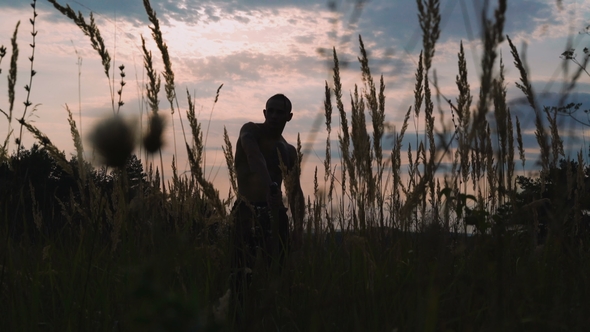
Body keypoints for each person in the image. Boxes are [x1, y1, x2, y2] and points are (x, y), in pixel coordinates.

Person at [230, 93, 305, 316]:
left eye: (279, 112)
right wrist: (271, 186)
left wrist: (299, 227)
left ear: (289, 117)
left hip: (276, 215)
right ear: (264, 113)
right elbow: (255, 159)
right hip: (247, 210)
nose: (273, 116)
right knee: (241, 277)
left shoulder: (288, 151)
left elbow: (295, 191)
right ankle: (237, 319)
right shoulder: (250, 131)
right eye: (269, 111)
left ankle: (274, 320)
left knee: (279, 277)